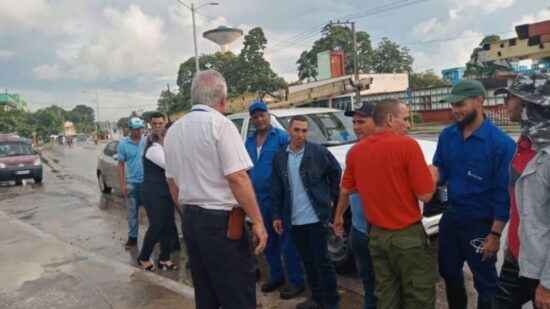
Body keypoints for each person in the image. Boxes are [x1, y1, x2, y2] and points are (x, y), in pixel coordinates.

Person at [164, 69, 267, 309]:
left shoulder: (174, 131)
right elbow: (238, 177)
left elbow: (171, 182)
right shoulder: (220, 125)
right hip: (222, 224)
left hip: (192, 220)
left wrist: (189, 211)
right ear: (222, 98)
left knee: (206, 292)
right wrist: (258, 221)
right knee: (237, 294)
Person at [340, 99, 438, 309]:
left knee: (387, 295)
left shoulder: (357, 151)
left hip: (376, 236)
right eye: (405, 119)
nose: (408, 125)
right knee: (419, 295)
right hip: (406, 237)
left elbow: (347, 188)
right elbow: (426, 195)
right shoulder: (407, 145)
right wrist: (433, 174)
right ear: (390, 119)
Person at [432, 79, 516, 308]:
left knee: (486, 282)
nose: (455, 111)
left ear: (479, 101)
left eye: (460, 104)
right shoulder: (447, 136)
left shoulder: (501, 144)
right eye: (452, 105)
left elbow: (504, 195)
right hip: (451, 217)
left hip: (480, 223)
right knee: (448, 272)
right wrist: (433, 174)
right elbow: (441, 168)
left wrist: (495, 235)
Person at [492, 73, 550, 309]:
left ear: (529, 103)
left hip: (541, 269)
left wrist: (547, 284)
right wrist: (509, 246)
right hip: (517, 256)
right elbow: (521, 207)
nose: (505, 103)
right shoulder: (524, 145)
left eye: (510, 97)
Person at [271, 115, 341, 309]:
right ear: (289, 131)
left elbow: (335, 173)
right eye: (296, 130)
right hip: (294, 220)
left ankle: (332, 302)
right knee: (308, 262)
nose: (300, 135)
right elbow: (276, 188)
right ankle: (317, 299)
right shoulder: (280, 157)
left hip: (316, 218)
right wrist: (276, 214)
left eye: (304, 131)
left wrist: (331, 198)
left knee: (323, 262)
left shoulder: (318, 152)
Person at [245, 101, 305, 299]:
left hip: (278, 198)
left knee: (287, 241)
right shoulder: (249, 142)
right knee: (266, 240)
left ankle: (296, 282)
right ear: (252, 120)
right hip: (258, 199)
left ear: (268, 116)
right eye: (255, 117)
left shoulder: (280, 138)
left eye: (263, 115)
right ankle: (277, 276)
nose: (260, 119)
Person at [333, 101, 377, 309]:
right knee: (368, 282)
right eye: (354, 122)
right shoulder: (353, 153)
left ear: (376, 121)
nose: (356, 126)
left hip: (381, 232)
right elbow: (346, 187)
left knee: (387, 285)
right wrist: (339, 215)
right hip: (359, 231)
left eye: (362, 121)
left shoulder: (387, 149)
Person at [136, 128, 178, 271]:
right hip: (152, 193)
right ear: (161, 137)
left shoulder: (163, 149)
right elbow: (170, 166)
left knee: (168, 226)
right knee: (157, 226)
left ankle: (164, 258)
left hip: (165, 193)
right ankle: (143, 257)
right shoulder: (154, 150)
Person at [148, 112, 180, 252]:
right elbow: (169, 165)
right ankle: (161, 251)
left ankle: (172, 247)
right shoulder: (152, 146)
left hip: (175, 186)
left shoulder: (172, 142)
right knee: (161, 222)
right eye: (155, 124)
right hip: (159, 189)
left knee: (173, 220)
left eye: (160, 124)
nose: (158, 127)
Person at [117, 117, 146, 249]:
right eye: (135, 129)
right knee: (132, 212)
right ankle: (132, 237)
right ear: (129, 130)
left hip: (147, 183)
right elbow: (120, 165)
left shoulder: (146, 141)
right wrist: (122, 184)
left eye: (140, 128)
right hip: (132, 183)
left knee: (153, 211)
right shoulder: (123, 144)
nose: (138, 131)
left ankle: (156, 235)